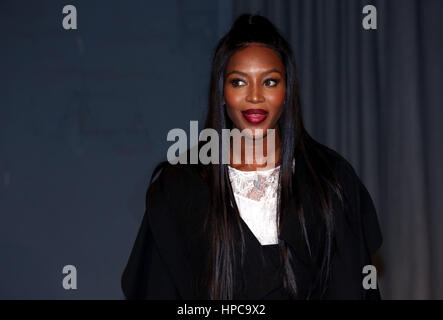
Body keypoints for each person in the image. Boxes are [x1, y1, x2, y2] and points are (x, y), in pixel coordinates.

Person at [121, 14, 383, 300]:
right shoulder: (180, 188)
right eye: (239, 82)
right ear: (222, 92)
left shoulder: (331, 181)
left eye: (270, 82)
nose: (255, 96)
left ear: (287, 91)